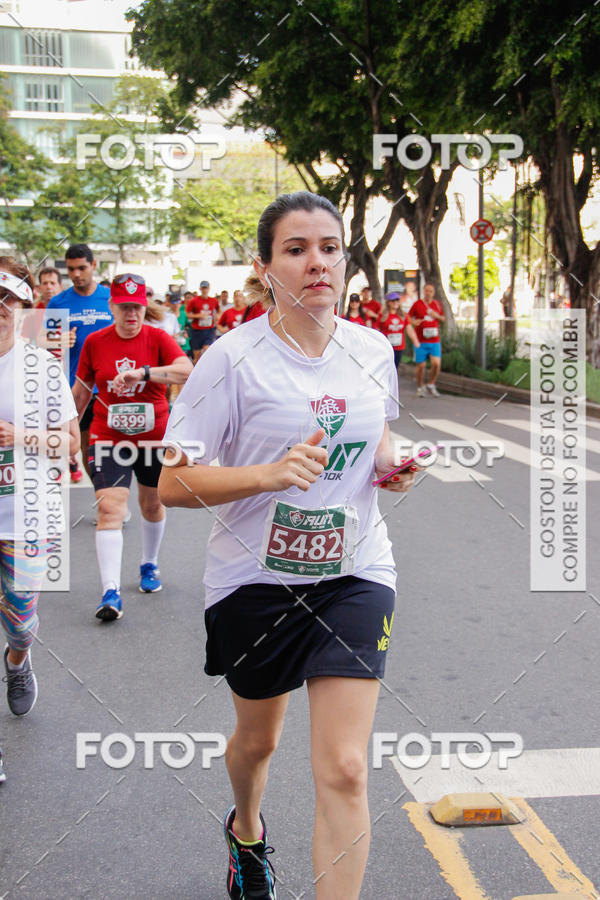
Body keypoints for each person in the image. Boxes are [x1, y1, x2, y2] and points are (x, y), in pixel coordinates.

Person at [159, 191, 418, 900]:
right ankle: (246, 828)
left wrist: (394, 469)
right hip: (254, 583)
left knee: (345, 767)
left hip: (356, 571)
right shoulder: (230, 361)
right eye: (296, 250)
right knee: (259, 744)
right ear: (265, 268)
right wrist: (268, 474)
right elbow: (173, 484)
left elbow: (377, 441)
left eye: (329, 248)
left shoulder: (372, 349)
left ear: (346, 260)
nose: (316, 263)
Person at [71, 274, 192, 622]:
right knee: (111, 508)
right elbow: (81, 392)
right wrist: (63, 435)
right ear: (111, 307)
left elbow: (186, 371)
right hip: (108, 435)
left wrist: (145, 374)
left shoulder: (157, 338)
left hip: (154, 437)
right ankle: (110, 591)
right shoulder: (95, 342)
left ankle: (149, 564)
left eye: (137, 308)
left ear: (144, 307)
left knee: (152, 503)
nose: (131, 315)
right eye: (124, 308)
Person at [0, 257, 79, 777]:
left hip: (22, 515)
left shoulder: (40, 368)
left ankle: (18, 660)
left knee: (20, 622)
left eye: (6, 302)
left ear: (21, 308)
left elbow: (71, 444)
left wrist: (18, 437)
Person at [47, 244, 112, 479]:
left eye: (82, 268)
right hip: (77, 387)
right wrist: (57, 339)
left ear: (94, 266)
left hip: (111, 385)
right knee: (87, 446)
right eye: (71, 269)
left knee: (114, 445)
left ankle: (114, 498)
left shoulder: (110, 298)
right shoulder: (58, 303)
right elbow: (43, 343)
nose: (76, 274)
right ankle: (103, 493)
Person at [409, 282, 445, 397]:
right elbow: (408, 317)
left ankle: (431, 384)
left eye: (431, 291)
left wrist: (437, 316)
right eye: (426, 290)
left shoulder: (437, 305)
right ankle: (420, 387)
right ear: (423, 291)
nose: (428, 293)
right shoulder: (417, 304)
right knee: (421, 366)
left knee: (436, 364)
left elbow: (443, 318)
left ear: (433, 293)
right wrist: (414, 322)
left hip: (434, 340)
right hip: (420, 340)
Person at [377, 291, 420, 369]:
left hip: (398, 347)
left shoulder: (403, 315)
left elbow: (409, 329)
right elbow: (377, 331)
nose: (395, 302)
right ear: (388, 302)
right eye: (393, 300)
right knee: (386, 368)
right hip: (386, 347)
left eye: (397, 300)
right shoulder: (382, 315)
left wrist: (415, 341)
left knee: (395, 368)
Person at [185, 280, 219, 363]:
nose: (204, 290)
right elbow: (188, 314)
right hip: (197, 330)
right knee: (197, 356)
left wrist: (217, 318)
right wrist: (198, 316)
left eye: (206, 288)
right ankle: (194, 372)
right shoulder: (194, 301)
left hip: (208, 330)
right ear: (200, 289)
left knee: (207, 350)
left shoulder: (213, 300)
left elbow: (219, 311)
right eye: (203, 288)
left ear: (209, 289)